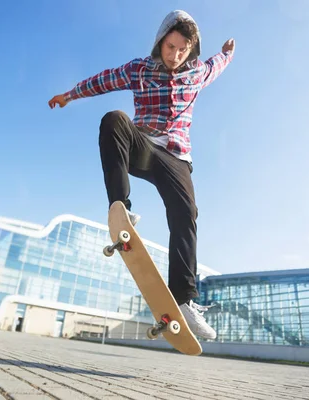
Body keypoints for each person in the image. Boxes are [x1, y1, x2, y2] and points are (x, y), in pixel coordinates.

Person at [48, 10, 234, 340]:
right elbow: (102, 80)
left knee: (186, 213)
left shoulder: (198, 72)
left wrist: (227, 53)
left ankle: (185, 299)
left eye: (182, 50)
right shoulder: (140, 69)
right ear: (160, 41)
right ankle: (121, 209)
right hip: (143, 145)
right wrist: (70, 95)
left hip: (176, 157)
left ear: (191, 50)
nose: (175, 56)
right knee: (114, 120)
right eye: (170, 47)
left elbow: (218, 64)